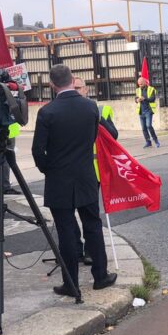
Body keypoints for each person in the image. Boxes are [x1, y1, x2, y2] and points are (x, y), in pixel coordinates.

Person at [32, 64, 117, 296]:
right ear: (72, 80)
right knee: (93, 225)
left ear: (51, 84)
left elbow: (38, 151)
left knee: (67, 232)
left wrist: (49, 169)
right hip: (86, 175)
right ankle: (101, 275)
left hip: (59, 179)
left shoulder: (47, 112)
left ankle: (71, 283)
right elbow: (92, 138)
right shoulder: (90, 108)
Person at [72, 77, 118, 265]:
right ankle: (75, 249)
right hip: (70, 171)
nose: (76, 91)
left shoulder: (99, 110)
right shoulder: (63, 108)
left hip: (93, 171)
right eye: (73, 88)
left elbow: (113, 135)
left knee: (89, 215)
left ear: (86, 90)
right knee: (67, 214)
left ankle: (90, 251)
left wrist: (97, 119)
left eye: (79, 88)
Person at [136, 76, 160, 148]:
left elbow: (152, 98)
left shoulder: (151, 89)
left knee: (149, 126)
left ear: (145, 82)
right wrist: (137, 100)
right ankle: (148, 142)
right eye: (139, 84)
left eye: (141, 84)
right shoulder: (138, 90)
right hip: (141, 111)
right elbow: (135, 98)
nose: (140, 85)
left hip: (148, 111)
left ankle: (156, 140)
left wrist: (144, 99)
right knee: (144, 128)